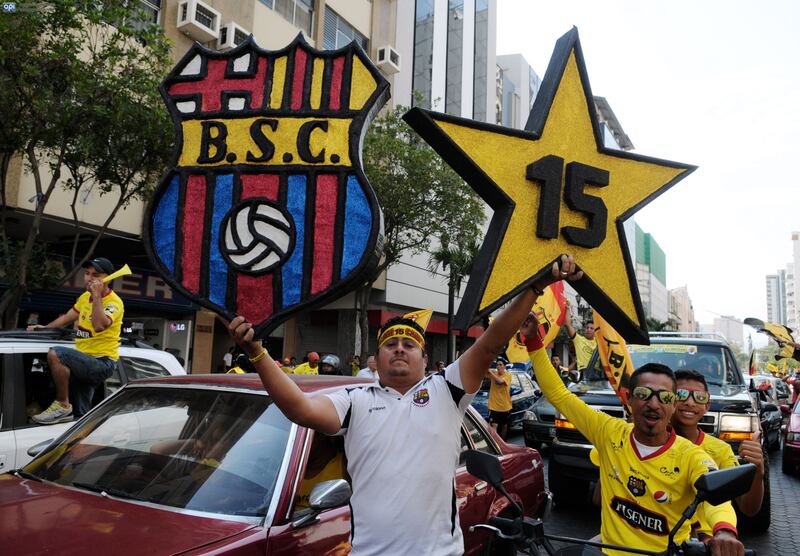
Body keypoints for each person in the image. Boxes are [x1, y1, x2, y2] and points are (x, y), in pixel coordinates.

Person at [227, 257, 569, 555]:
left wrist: (535, 288)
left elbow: (489, 343)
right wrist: (258, 354)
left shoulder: (447, 388)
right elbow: (300, 408)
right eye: (391, 344)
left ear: (425, 358)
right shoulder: (354, 400)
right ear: (376, 359)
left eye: (410, 344)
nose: (400, 349)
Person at [523, 257, 743, 556]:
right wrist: (535, 343)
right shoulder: (608, 432)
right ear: (629, 399)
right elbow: (560, 395)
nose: (653, 403)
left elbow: (718, 501)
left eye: (664, 396)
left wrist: (725, 532)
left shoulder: (692, 456)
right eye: (644, 393)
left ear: (672, 404)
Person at [27, 257, 124, 424]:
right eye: (87, 274)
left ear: (108, 278)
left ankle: (62, 404)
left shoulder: (114, 302)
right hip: (83, 360)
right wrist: (45, 328)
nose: (89, 278)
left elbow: (100, 325)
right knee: (80, 417)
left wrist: (97, 297)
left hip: (101, 363)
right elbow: (67, 317)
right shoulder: (85, 297)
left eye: (96, 275)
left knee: (56, 353)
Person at [671, 369, 764, 522]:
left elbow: (747, 509)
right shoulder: (652, 442)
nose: (690, 402)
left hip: (706, 540)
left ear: (707, 406)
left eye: (699, 397)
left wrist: (758, 472)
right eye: (681, 394)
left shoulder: (721, 451)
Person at [564, 299, 596, 371]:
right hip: (583, 372)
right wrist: (567, 308)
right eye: (587, 328)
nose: (588, 330)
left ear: (596, 331)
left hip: (597, 374)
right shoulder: (578, 339)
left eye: (591, 328)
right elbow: (567, 324)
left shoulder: (599, 343)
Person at [486, 356, 512, 439]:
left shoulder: (508, 375)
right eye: (497, 365)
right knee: (494, 425)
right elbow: (483, 371)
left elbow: (500, 381)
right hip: (494, 406)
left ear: (504, 366)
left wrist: (491, 373)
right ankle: (496, 445)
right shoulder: (493, 372)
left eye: (501, 365)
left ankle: (503, 442)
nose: (498, 367)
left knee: (504, 425)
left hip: (505, 406)